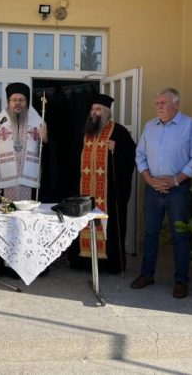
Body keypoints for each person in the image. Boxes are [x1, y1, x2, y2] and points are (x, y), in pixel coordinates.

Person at [132, 87, 192, 299]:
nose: (159, 106)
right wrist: (149, 179)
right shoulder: (149, 126)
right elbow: (140, 155)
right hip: (153, 188)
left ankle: (181, 280)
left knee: (180, 235)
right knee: (151, 232)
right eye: (157, 103)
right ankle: (147, 274)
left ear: (176, 104)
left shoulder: (190, 125)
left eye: (163, 102)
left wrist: (175, 180)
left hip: (178, 189)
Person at [0, 82, 50, 276]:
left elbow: (51, 157)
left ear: (27, 102)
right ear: (8, 102)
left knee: (28, 225)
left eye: (21, 100)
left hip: (30, 187)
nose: (17, 103)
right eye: (13, 100)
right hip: (6, 186)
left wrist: (45, 140)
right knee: (7, 224)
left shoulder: (39, 122)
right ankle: (4, 266)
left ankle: (28, 265)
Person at [68, 94, 136, 274]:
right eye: (92, 109)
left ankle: (111, 264)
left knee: (111, 227)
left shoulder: (119, 132)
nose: (94, 113)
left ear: (107, 112)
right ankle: (82, 262)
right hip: (84, 190)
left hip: (109, 193)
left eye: (98, 109)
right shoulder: (84, 133)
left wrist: (117, 150)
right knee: (83, 221)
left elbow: (132, 157)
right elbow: (73, 159)